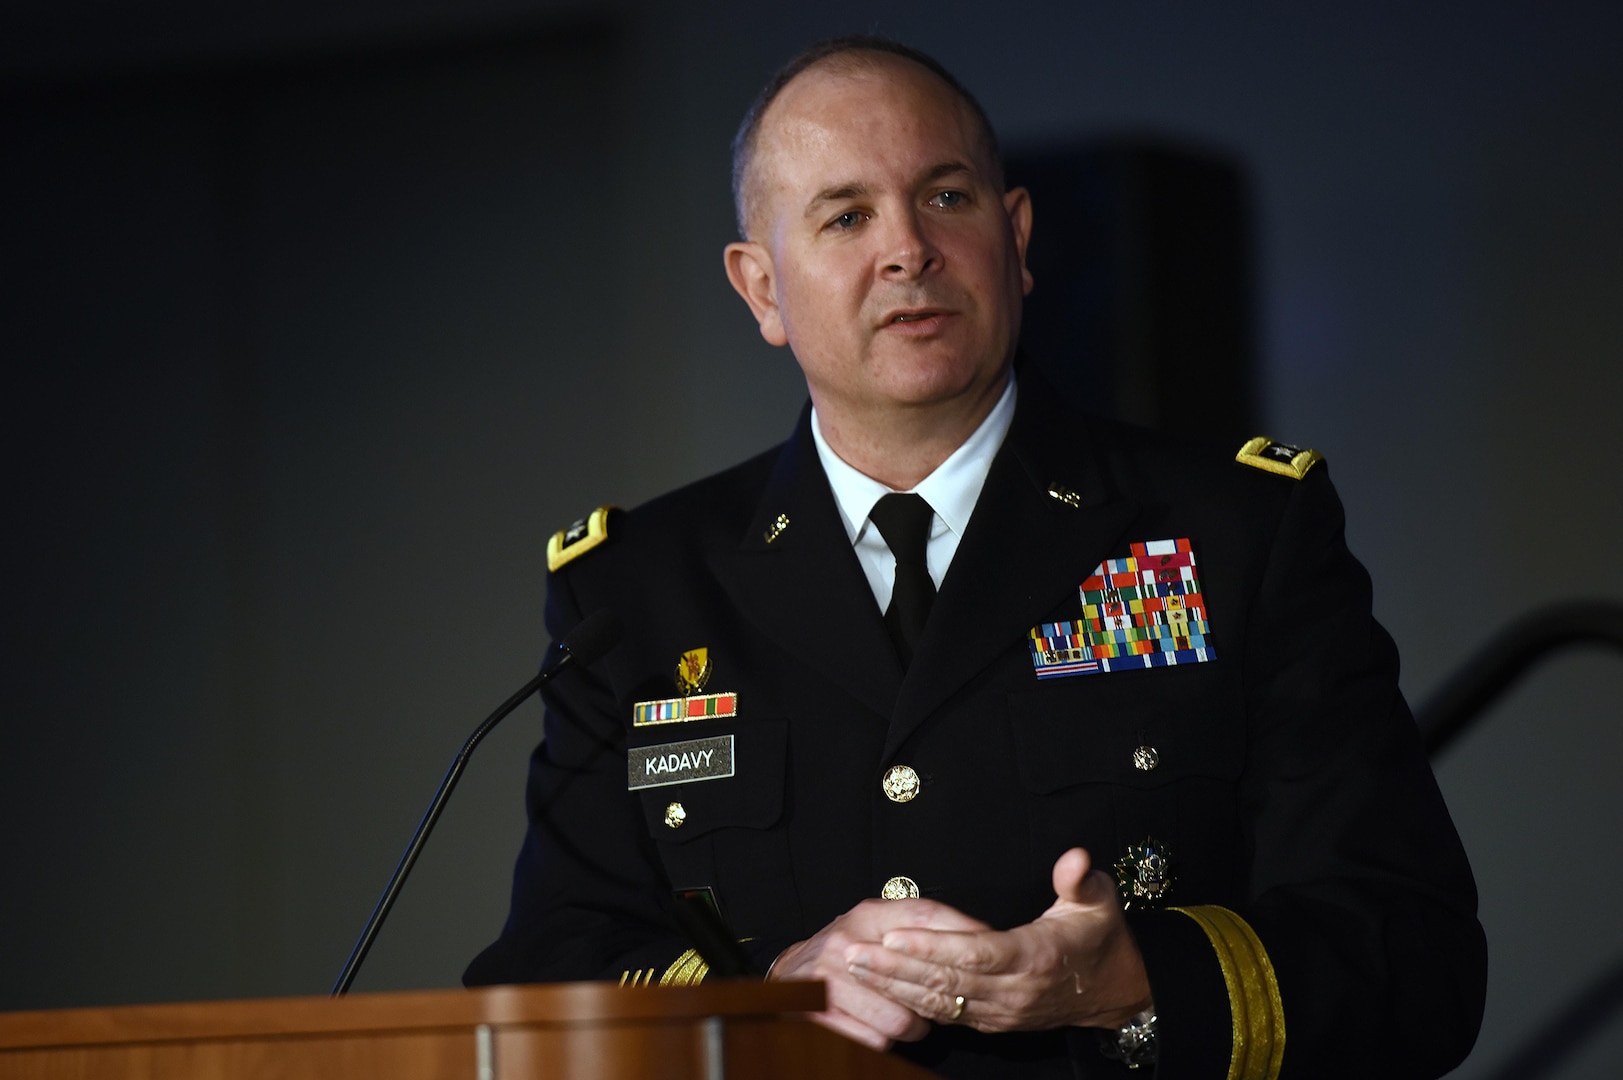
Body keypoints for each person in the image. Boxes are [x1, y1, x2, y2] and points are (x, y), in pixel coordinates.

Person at [466, 37, 1486, 1079]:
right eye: (847, 215)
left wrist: (1134, 980)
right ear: (760, 288)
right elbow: (545, 979)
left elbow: (1416, 958)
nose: (908, 249)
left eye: (947, 197)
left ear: (1019, 236)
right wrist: (768, 1000)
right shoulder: (637, 592)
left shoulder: (1238, 535)